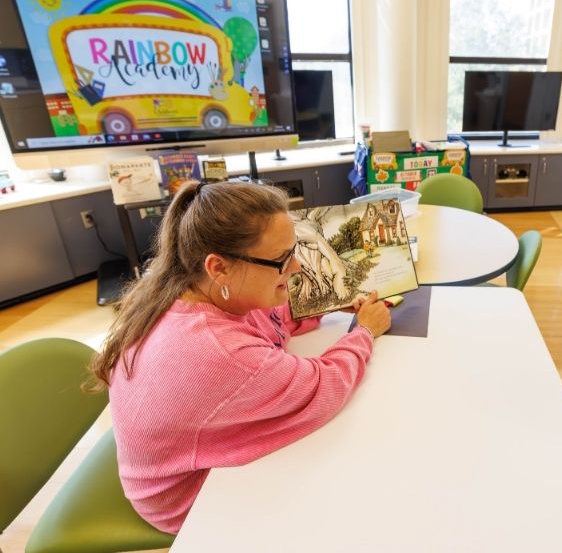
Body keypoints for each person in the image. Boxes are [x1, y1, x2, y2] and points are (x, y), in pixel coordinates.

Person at [89, 180, 391, 534]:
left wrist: (320, 306)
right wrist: (364, 332)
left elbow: (272, 318)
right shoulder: (218, 351)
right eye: (281, 259)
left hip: (172, 462)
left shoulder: (190, 288)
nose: (295, 269)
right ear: (219, 268)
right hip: (189, 498)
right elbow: (323, 386)